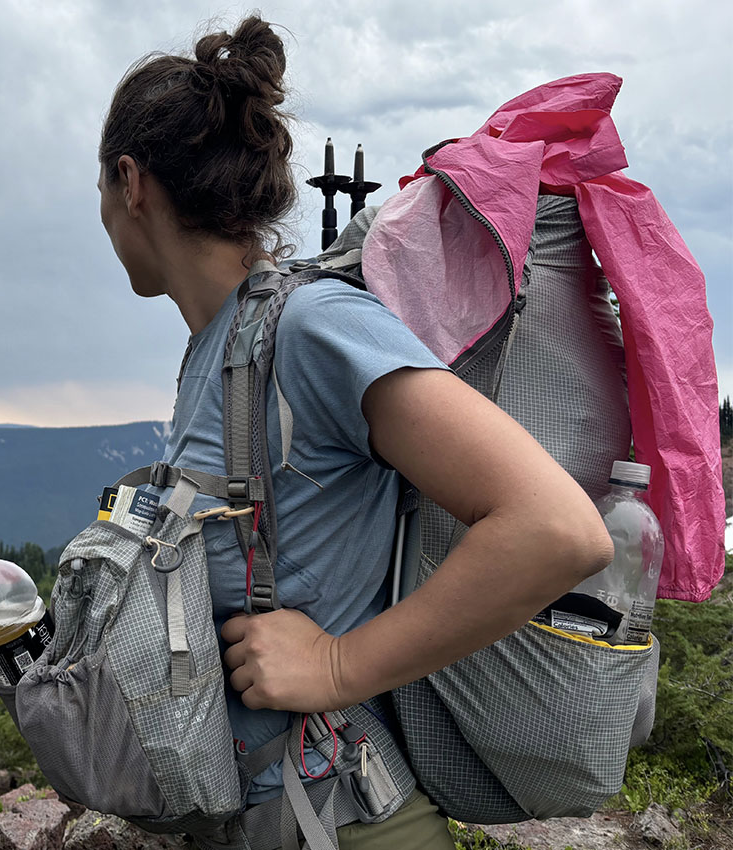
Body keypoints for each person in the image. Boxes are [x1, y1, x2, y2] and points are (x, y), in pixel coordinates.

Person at [96, 15, 614, 850]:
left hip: (348, 821)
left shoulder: (311, 325)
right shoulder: (219, 347)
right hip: (265, 818)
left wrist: (336, 668)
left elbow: (555, 529)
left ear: (131, 181)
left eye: (101, 193)